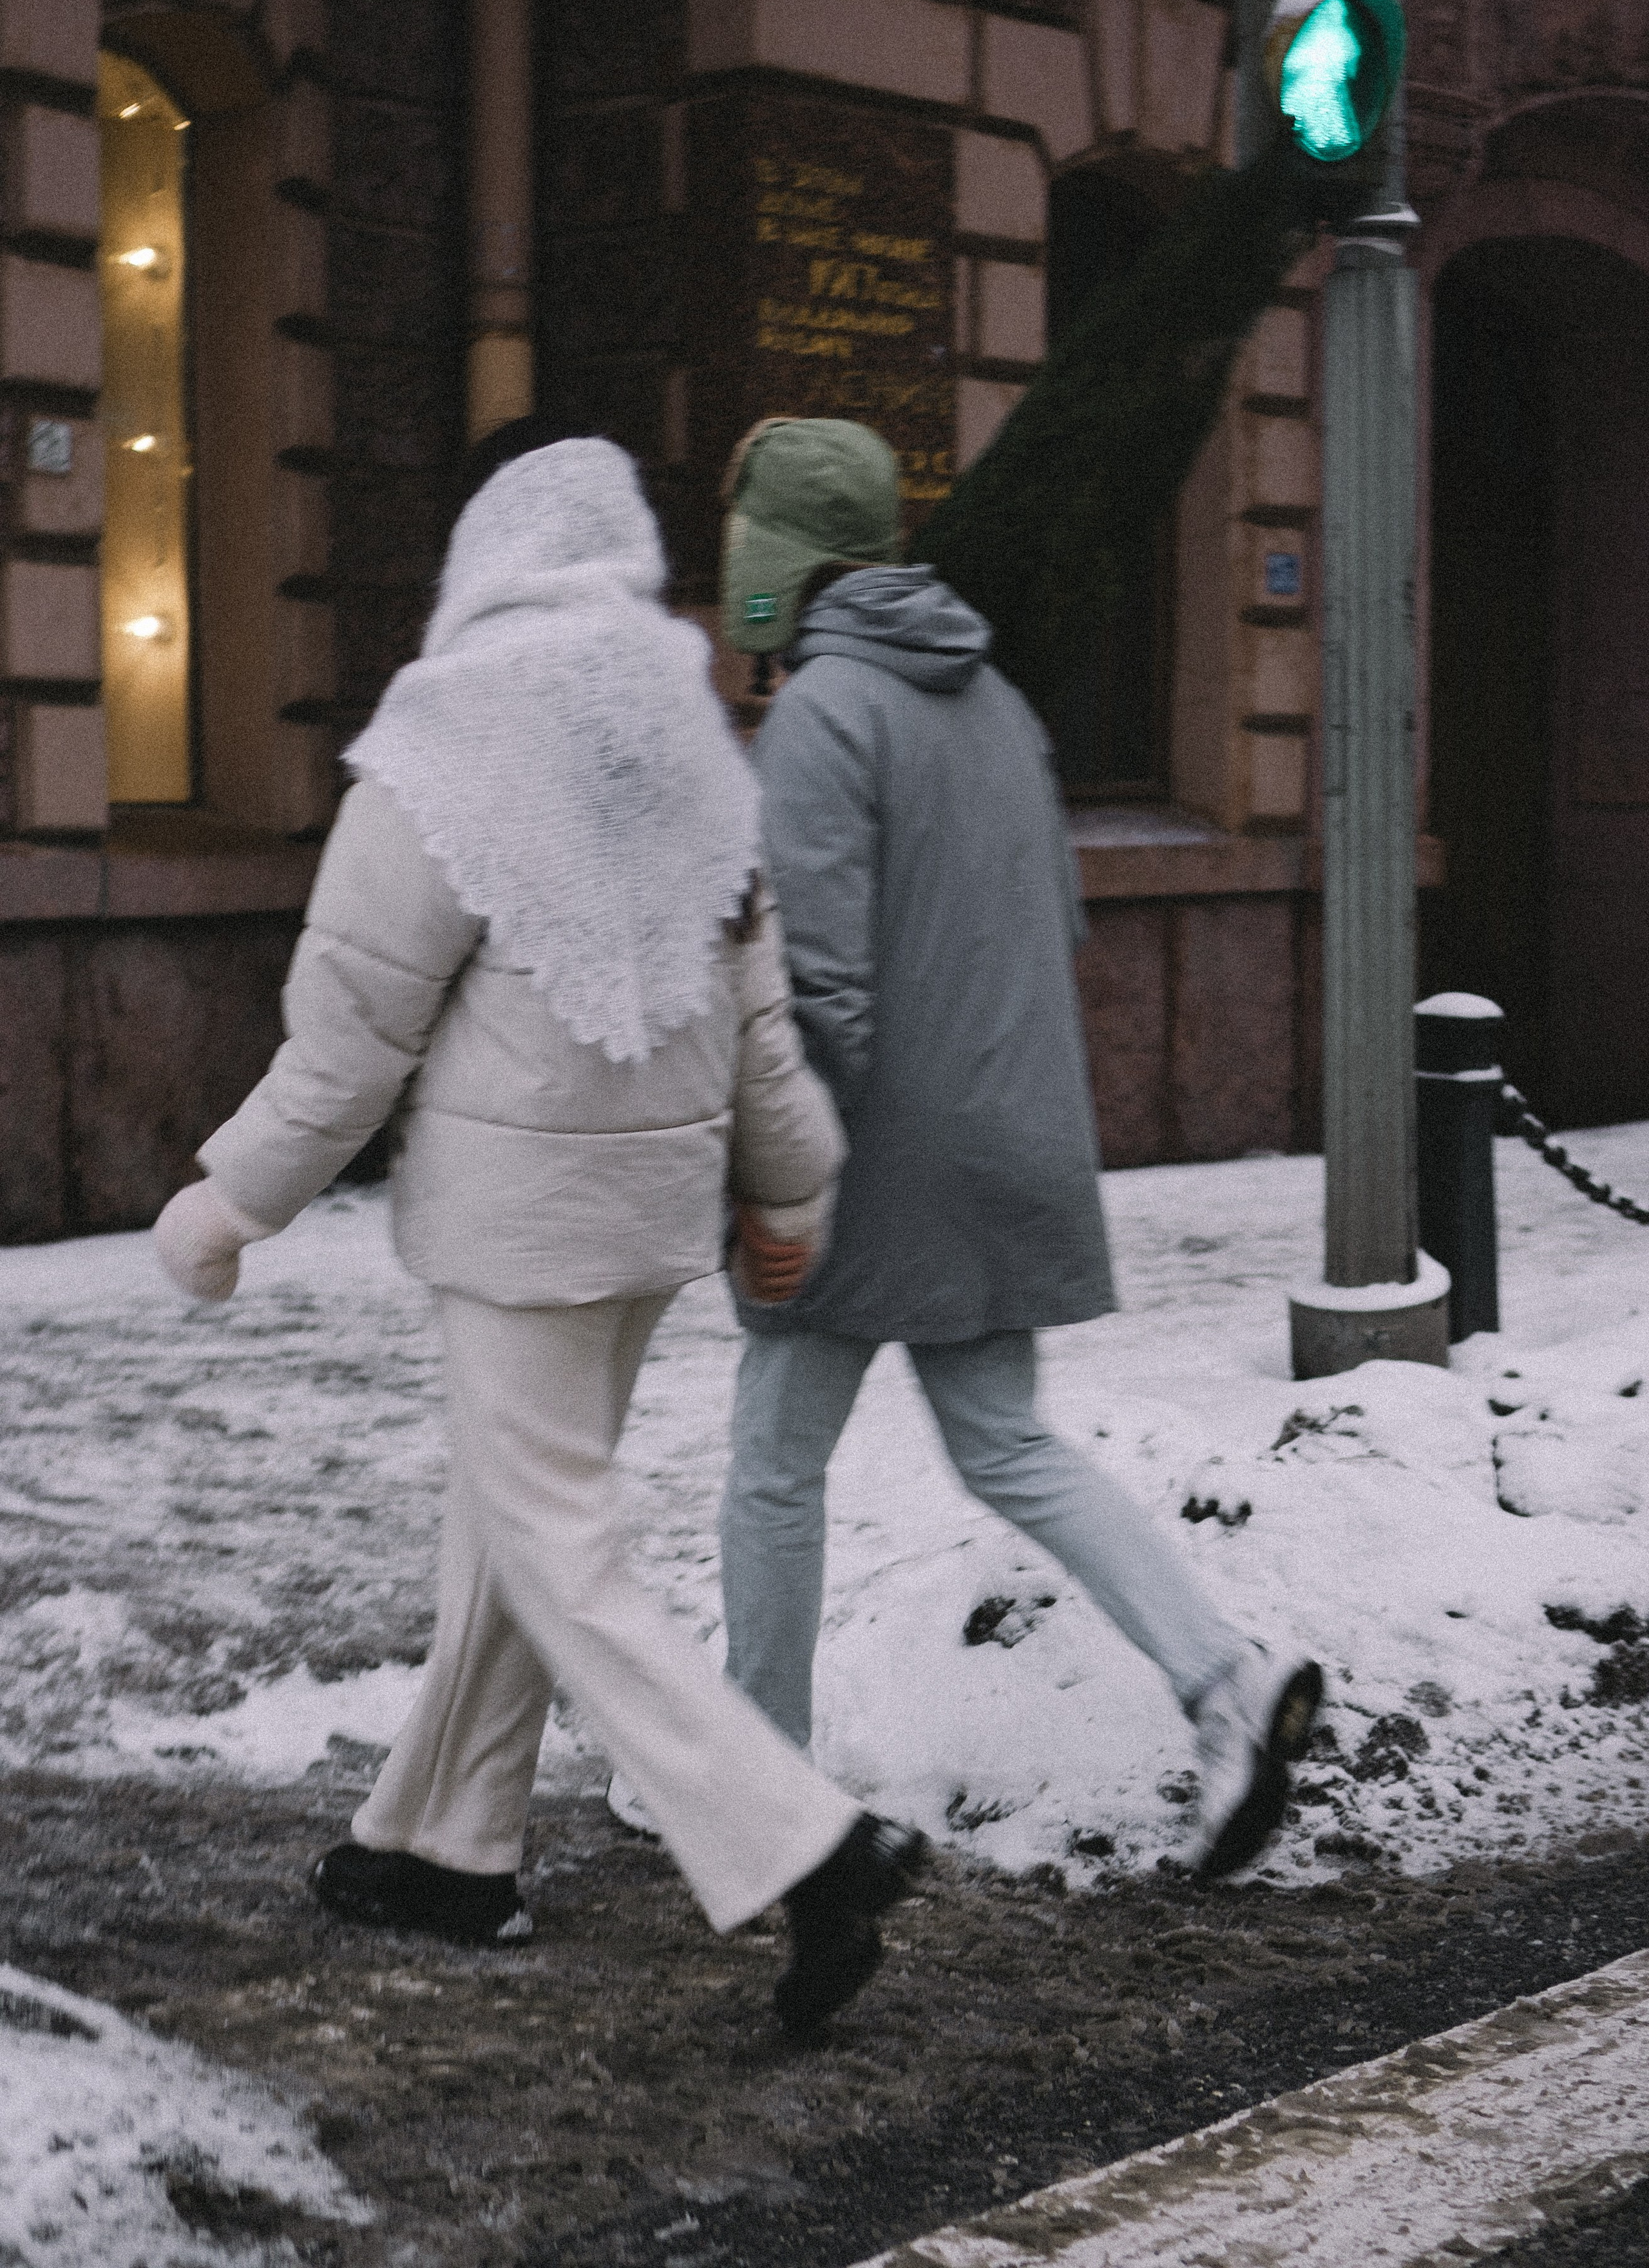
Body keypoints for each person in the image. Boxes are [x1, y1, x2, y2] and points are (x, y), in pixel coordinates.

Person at [152, 436, 924, 2035]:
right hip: (649, 1212)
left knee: (557, 1541)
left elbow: (349, 1033)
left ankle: (802, 1846)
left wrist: (232, 1201)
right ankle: (442, 1848)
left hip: (513, 1223)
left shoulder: (445, 742)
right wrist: (789, 1191)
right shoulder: (690, 732)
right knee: (516, 1524)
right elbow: (756, 1006)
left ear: (485, 557)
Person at [714, 417, 1323, 1880]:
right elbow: (1053, 927)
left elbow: (820, 990)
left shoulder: (819, 715)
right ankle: (1220, 1682)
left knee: (773, 1463)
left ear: (771, 564)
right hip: (1014, 1139)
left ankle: (756, 1786)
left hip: (874, 1160)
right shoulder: (996, 702)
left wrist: (771, 1175)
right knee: (1006, 1445)